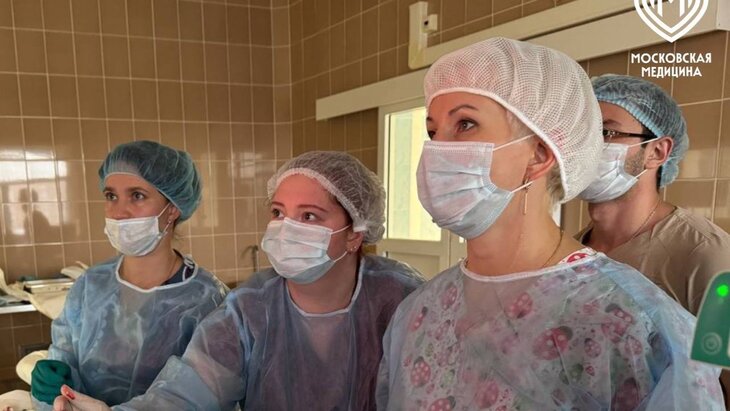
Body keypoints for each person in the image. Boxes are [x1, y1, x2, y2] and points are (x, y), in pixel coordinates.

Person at [376, 37, 724, 410]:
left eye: (465, 124)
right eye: (432, 131)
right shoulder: (420, 312)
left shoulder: (638, 325)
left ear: (540, 153)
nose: (438, 149)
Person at [52, 151, 425, 411]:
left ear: (355, 233)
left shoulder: (402, 301)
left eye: (309, 216)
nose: (286, 229)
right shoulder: (249, 309)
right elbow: (187, 393)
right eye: (278, 212)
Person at [28, 141, 228, 409]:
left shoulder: (208, 301)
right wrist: (54, 385)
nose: (119, 212)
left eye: (137, 195)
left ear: (172, 209)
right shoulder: (90, 286)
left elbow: (202, 396)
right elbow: (66, 360)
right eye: (111, 196)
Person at [576, 74, 730, 315]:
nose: (587, 145)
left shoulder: (705, 254)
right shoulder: (575, 249)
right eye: (582, 133)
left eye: (606, 132)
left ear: (657, 152)